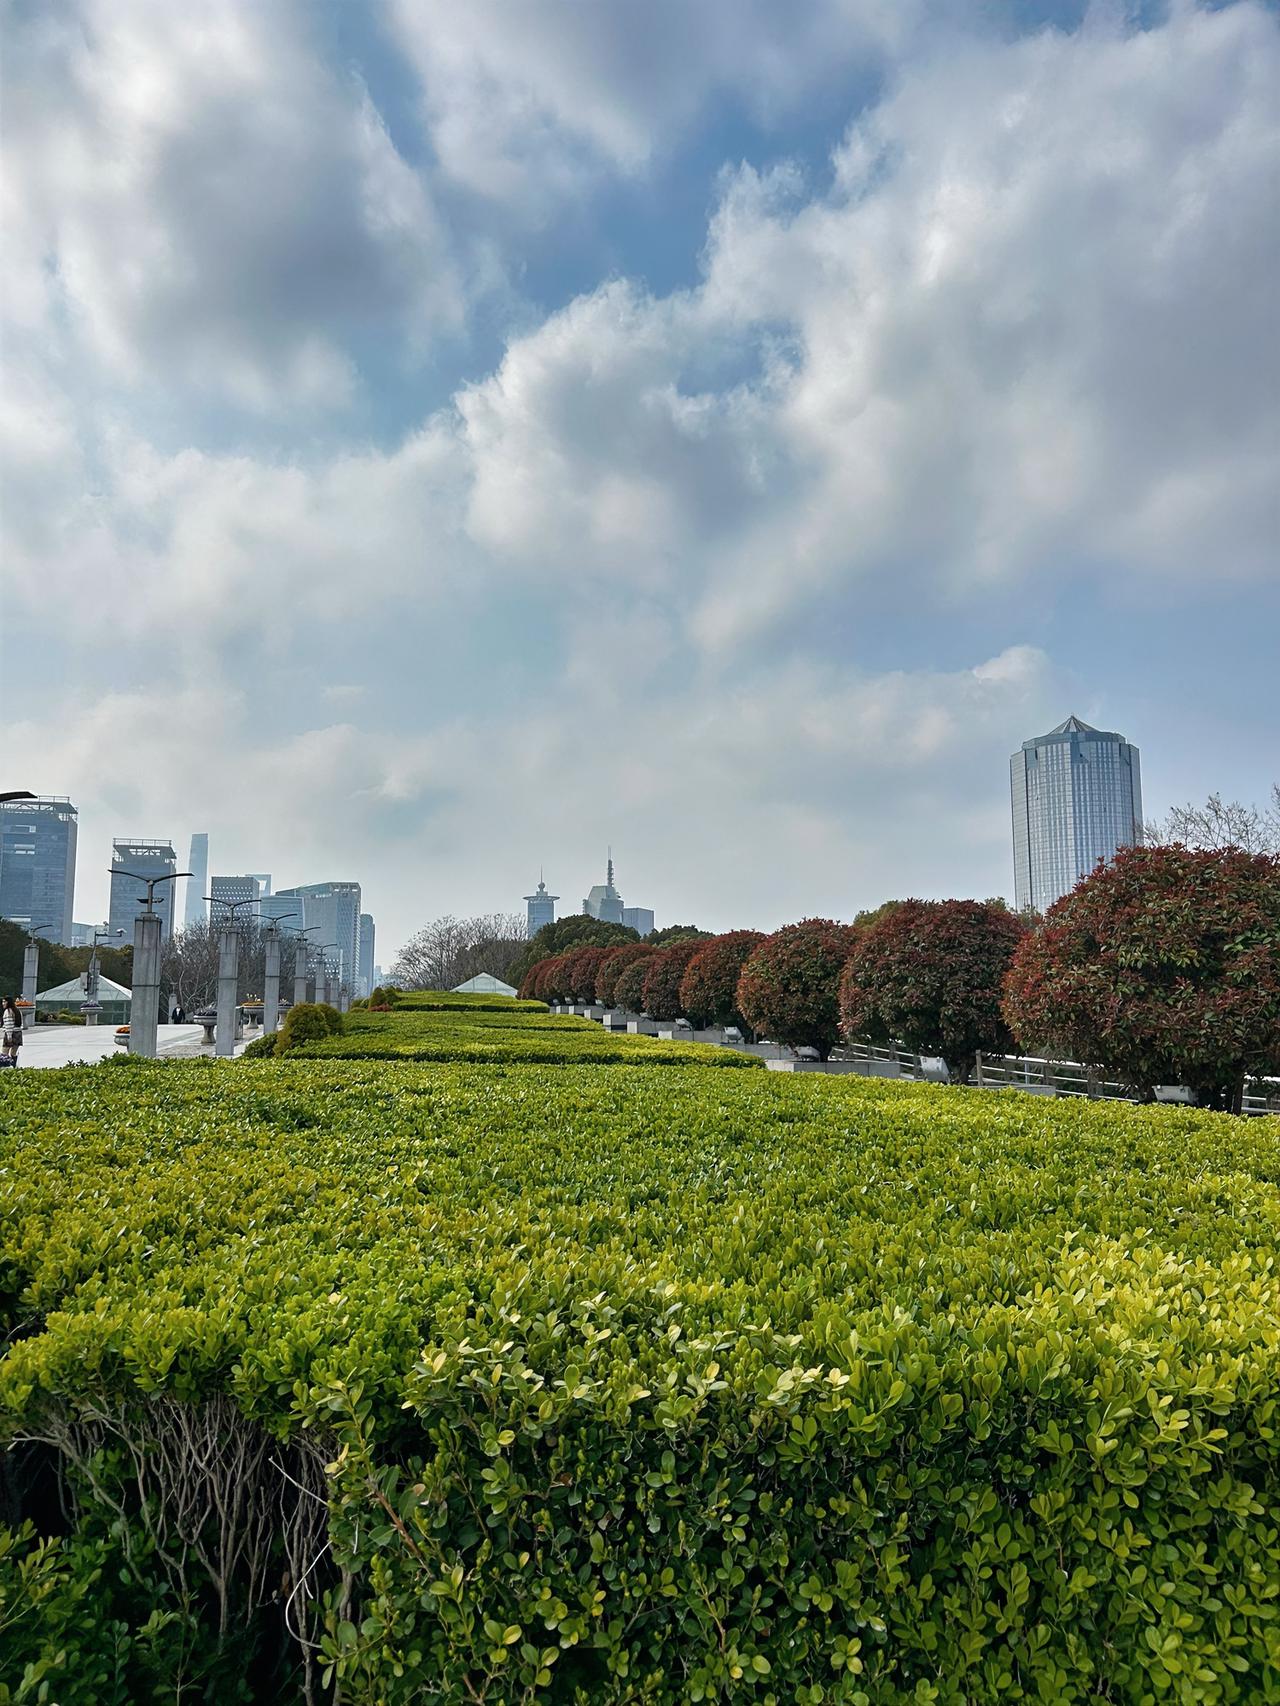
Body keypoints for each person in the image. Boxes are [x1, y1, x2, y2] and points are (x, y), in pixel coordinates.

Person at [1, 997, 23, 1066]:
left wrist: (9, 1037)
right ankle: (14, 1067)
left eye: (5, 1002)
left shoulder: (8, 1011)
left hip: (11, 1034)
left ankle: (5, 1068)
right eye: (2, 1002)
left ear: (9, 1002)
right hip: (18, 1034)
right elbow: (21, 1024)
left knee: (4, 1053)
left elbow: (9, 1025)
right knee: (13, 1053)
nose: (3, 1004)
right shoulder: (17, 1011)